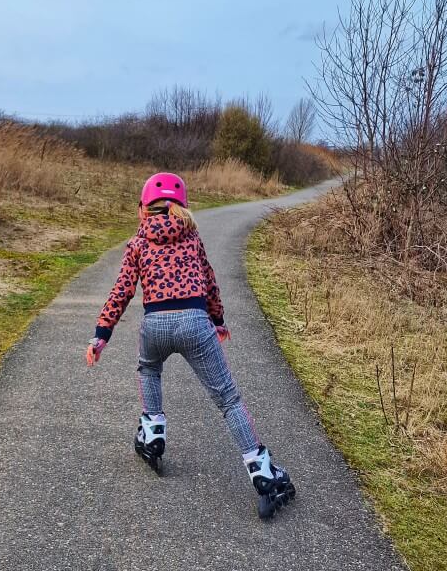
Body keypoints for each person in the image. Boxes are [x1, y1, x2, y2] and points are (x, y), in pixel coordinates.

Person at [86, 172, 295, 518]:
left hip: (155, 325)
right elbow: (210, 282)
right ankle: (263, 473)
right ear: (183, 207)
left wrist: (101, 335)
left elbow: (121, 292)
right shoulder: (192, 237)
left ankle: (153, 431)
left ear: (142, 210)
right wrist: (218, 321)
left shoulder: (138, 242)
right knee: (227, 400)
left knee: (149, 368)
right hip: (196, 324)